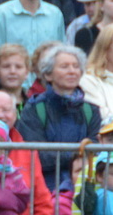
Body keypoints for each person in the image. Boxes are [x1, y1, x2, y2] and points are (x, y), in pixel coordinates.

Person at [16, 43, 97, 194]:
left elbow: (96, 151)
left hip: (85, 190)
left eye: (76, 66)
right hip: (45, 191)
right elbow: (36, 155)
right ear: (48, 75)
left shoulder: (91, 110)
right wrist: (77, 153)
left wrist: (64, 154)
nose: (72, 71)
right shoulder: (34, 109)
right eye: (64, 66)